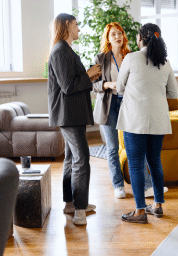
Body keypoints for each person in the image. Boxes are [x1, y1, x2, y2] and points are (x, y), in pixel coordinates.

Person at [116, 23, 178, 224]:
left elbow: (119, 87)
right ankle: (158, 205)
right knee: (154, 161)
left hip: (136, 120)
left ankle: (140, 211)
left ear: (140, 38)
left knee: (135, 164)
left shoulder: (131, 58)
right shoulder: (165, 63)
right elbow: (173, 94)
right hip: (158, 119)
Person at [92, 22, 161, 199]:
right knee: (113, 147)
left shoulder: (132, 56)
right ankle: (118, 185)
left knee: (136, 146)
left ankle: (146, 186)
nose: (118, 37)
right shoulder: (101, 58)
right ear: (108, 38)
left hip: (129, 104)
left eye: (120, 33)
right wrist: (108, 84)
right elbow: (93, 85)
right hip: (109, 105)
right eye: (114, 34)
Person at [48, 13, 101, 225]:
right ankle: (80, 210)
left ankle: (71, 203)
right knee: (82, 159)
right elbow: (68, 86)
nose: (79, 28)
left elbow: (71, 83)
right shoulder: (60, 51)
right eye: (76, 24)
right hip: (68, 114)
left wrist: (89, 76)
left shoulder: (66, 50)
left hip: (72, 113)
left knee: (71, 159)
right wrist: (88, 75)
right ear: (67, 25)